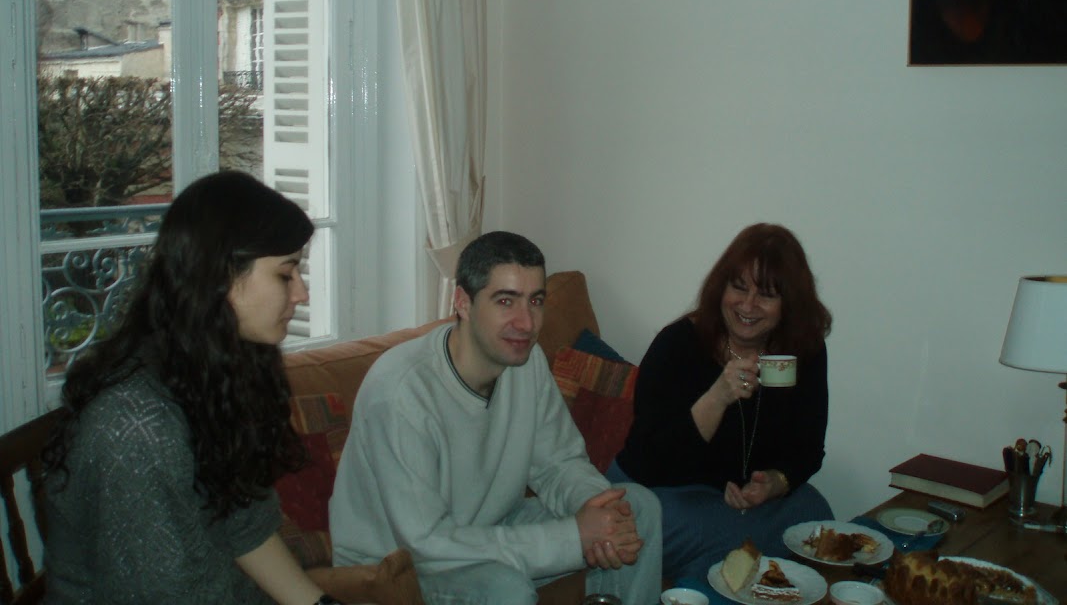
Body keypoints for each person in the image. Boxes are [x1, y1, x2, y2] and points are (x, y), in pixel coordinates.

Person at [42, 171, 347, 605]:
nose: (302, 293)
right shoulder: (137, 426)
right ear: (222, 276)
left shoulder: (213, 370)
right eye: (286, 273)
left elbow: (242, 521)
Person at [329, 231, 662, 605]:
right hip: (397, 567)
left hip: (486, 528)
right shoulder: (402, 392)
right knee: (505, 591)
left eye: (535, 301)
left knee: (637, 508)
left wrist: (600, 514)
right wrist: (575, 538)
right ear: (463, 303)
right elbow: (426, 543)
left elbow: (558, 463)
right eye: (506, 301)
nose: (526, 323)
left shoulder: (525, 360)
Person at [607, 223, 833, 584]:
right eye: (738, 287)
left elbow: (808, 447)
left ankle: (701, 580)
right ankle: (721, 567)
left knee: (814, 512)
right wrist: (718, 396)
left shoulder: (802, 352)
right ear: (720, 287)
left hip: (734, 505)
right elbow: (651, 459)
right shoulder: (678, 345)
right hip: (655, 495)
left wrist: (771, 484)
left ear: (789, 304)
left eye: (766, 295)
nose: (747, 305)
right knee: (720, 533)